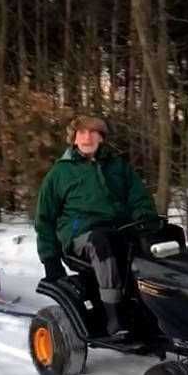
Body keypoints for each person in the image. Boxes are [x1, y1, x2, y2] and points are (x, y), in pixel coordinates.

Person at [35, 115, 157, 336]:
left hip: (121, 229)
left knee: (160, 239)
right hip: (81, 236)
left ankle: (159, 308)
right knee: (103, 242)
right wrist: (50, 259)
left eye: (93, 132)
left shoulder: (118, 166)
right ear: (73, 139)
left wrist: (145, 217)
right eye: (81, 132)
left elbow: (139, 198)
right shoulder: (59, 174)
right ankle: (115, 315)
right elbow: (45, 219)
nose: (87, 137)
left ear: (102, 138)